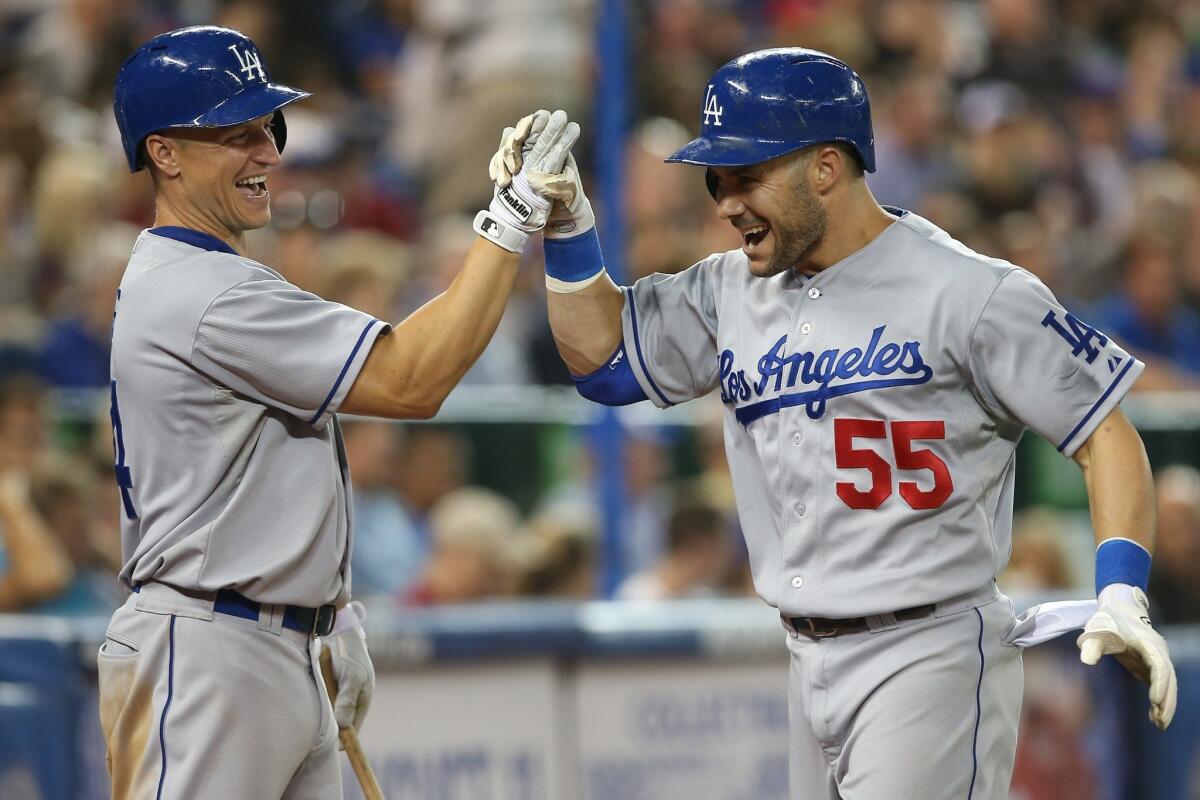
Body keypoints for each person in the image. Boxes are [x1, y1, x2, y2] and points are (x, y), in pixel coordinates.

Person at [500, 48, 1178, 798]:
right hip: (803, 654)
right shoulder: (730, 290)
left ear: (826, 167)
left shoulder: (971, 291)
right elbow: (604, 363)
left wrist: (1122, 589)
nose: (726, 202)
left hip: (931, 650)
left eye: (747, 176)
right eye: (716, 180)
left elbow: (1103, 430)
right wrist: (568, 226)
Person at [101, 26, 576, 799]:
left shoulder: (207, 276)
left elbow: (265, 474)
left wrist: (327, 608)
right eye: (236, 133)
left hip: (264, 639)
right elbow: (411, 381)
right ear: (165, 153)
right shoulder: (201, 290)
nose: (267, 153)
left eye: (268, 129)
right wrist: (509, 217)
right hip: (209, 654)